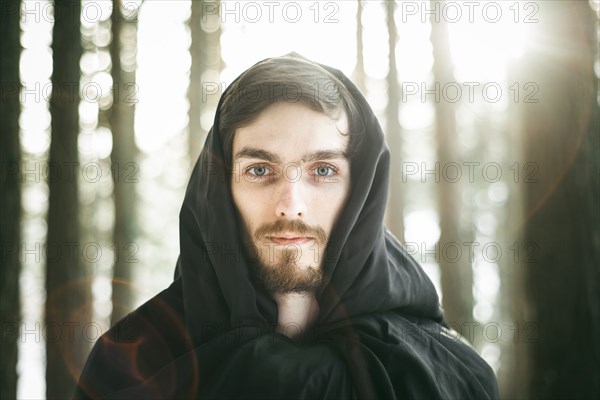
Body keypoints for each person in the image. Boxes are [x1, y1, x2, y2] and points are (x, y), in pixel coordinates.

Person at [74, 54, 499, 399]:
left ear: (361, 190)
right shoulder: (134, 363)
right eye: (260, 170)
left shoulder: (446, 374)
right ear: (220, 189)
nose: (290, 205)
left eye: (324, 170)